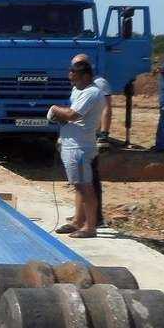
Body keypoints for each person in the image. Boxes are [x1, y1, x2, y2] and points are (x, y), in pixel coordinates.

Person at [47, 58, 104, 238]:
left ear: (86, 76)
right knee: (79, 185)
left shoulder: (91, 93)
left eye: (75, 77)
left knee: (85, 186)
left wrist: (55, 109)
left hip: (79, 148)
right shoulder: (78, 91)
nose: (72, 80)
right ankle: (78, 221)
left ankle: (90, 226)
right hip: (72, 144)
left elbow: (72, 114)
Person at [70, 53, 110, 227]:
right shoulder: (77, 87)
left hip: (88, 140)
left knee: (89, 182)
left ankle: (94, 220)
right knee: (80, 182)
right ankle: (79, 218)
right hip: (75, 140)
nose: (72, 72)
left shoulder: (98, 85)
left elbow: (106, 109)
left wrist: (104, 134)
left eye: (76, 68)